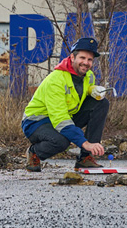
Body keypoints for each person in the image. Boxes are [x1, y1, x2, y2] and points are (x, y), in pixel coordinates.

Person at [22, 36, 110, 172]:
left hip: (65, 116)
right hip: (36, 122)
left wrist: (92, 91)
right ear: (72, 58)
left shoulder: (89, 75)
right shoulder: (56, 80)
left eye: (89, 59)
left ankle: (85, 158)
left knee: (101, 103)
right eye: (82, 58)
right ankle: (34, 151)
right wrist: (84, 143)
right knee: (62, 141)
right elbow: (60, 119)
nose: (86, 63)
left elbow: (79, 94)